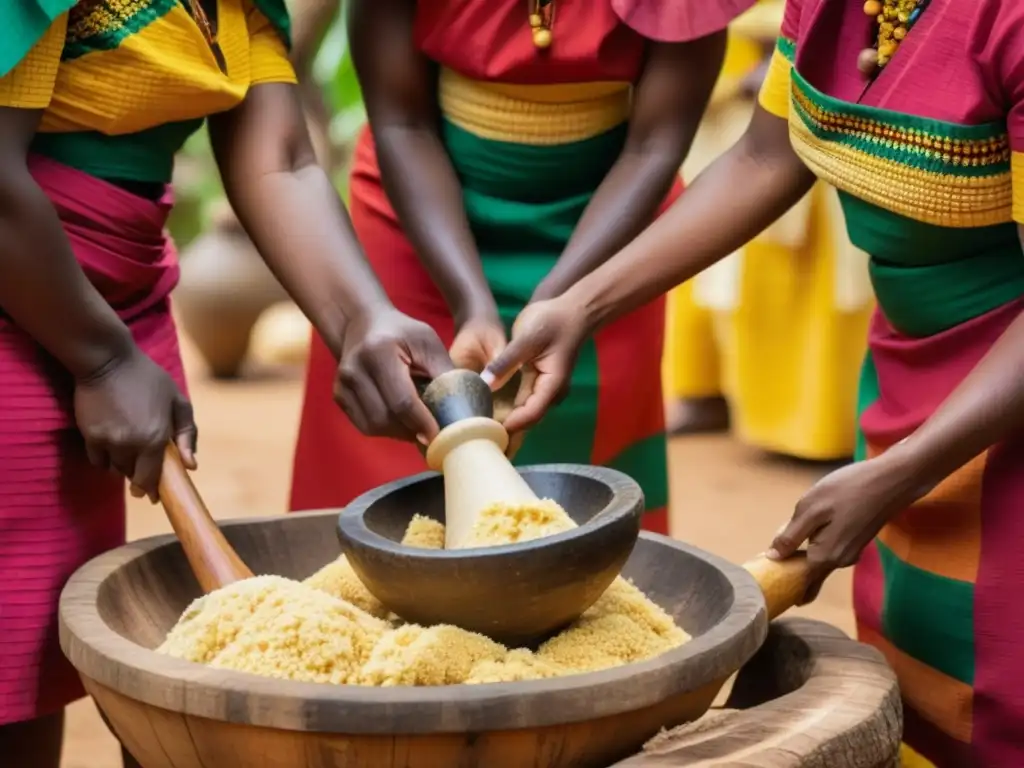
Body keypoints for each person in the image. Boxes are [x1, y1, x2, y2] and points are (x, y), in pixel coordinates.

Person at [483, 0, 1024, 763]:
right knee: (922, 651)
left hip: (1001, 387)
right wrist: (580, 306)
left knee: (1005, 668)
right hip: (913, 374)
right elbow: (766, 157)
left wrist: (900, 472)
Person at [0, 2, 453, 765]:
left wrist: (362, 319)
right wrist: (102, 360)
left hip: (111, 300)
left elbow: (279, 154)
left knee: (38, 649)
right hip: (30, 283)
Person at [289, 0, 760, 536]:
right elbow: (402, 122)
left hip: (607, 234)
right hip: (418, 220)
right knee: (389, 461)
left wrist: (564, 300)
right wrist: (471, 303)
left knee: (580, 503)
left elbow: (654, 146)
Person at [662, 0, 873, 459]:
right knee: (729, 280)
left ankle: (829, 434)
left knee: (827, 294)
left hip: (830, 133)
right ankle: (712, 397)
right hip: (741, 137)